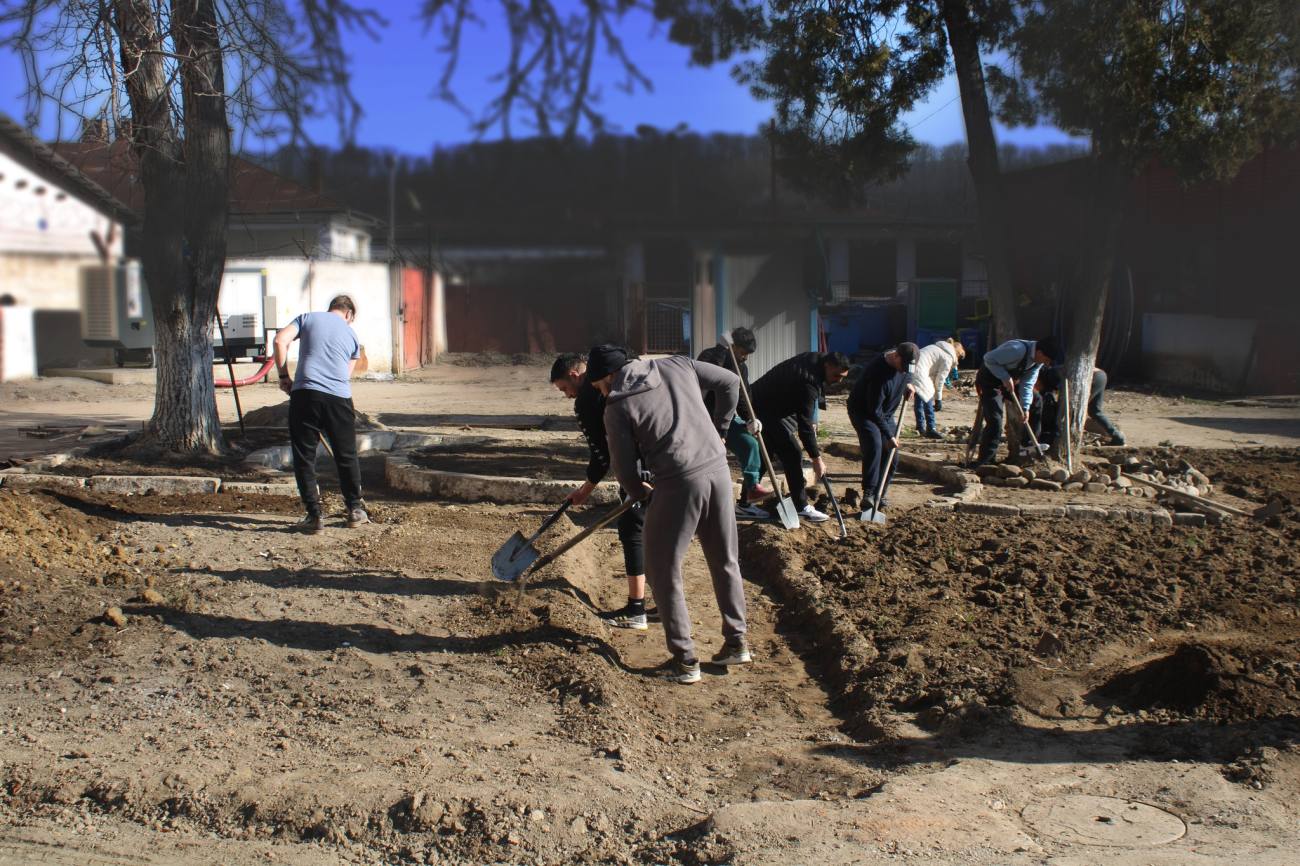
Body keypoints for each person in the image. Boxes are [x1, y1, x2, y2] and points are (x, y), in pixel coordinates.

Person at [590, 344, 750, 685]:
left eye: (598, 385)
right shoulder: (679, 364)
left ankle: (685, 660)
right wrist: (720, 431)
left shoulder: (617, 405)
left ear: (608, 376)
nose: (601, 391)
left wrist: (637, 492)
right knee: (725, 559)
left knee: (662, 568)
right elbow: (731, 383)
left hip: (678, 481)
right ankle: (737, 642)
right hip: (719, 472)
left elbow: (622, 465)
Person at [550, 352, 651, 629]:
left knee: (632, 532)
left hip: (637, 470)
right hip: (665, 462)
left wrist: (585, 490)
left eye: (564, 389)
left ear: (574, 375)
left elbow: (603, 455)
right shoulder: (637, 379)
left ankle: (637, 610)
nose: (568, 396)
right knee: (656, 533)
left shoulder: (587, 400)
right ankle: (663, 603)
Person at [273, 294, 367, 532]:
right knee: (346, 454)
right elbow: (344, 376)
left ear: (331, 309)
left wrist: (284, 377)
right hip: (339, 399)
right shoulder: (352, 336)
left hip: (306, 394)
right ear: (349, 314)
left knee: (305, 455)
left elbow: (279, 341)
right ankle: (355, 510)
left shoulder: (307, 318)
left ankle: (314, 516)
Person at [747, 351, 851, 523]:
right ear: (828, 365)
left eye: (843, 377)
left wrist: (809, 420)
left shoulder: (816, 360)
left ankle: (744, 502)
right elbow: (805, 428)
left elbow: (804, 404)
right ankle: (801, 506)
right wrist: (816, 458)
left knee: (767, 453)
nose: (839, 380)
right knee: (792, 453)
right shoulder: (808, 381)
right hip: (763, 407)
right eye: (837, 375)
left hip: (772, 404)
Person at [696, 327, 771, 518]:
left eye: (748, 354)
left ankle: (751, 490)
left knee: (751, 444)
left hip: (728, 419)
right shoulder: (710, 355)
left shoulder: (741, 367)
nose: (745, 357)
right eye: (743, 352)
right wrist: (722, 350)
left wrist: (750, 419)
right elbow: (707, 377)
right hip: (702, 418)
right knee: (709, 461)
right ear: (733, 346)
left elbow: (743, 396)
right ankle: (701, 504)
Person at [848, 343, 919, 515]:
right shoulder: (877, 373)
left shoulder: (906, 362)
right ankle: (870, 493)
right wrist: (888, 435)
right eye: (903, 367)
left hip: (886, 414)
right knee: (875, 446)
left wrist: (909, 384)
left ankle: (881, 493)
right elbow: (874, 410)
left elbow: (908, 374)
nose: (905, 370)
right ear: (895, 356)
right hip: (865, 412)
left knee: (892, 457)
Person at [973, 336, 1062, 466]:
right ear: (1040, 352)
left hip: (1009, 383)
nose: (1046, 363)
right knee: (995, 420)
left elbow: (1027, 384)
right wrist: (1004, 377)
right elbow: (988, 358)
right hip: (990, 382)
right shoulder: (1017, 349)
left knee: (1036, 399)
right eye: (1046, 359)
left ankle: (1028, 443)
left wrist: (1025, 407)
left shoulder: (1037, 363)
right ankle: (985, 461)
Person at [1032, 366, 1125, 447]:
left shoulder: (1051, 375)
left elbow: (1064, 392)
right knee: (1095, 411)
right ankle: (1118, 437)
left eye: (1034, 385)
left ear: (1037, 379)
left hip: (1093, 377)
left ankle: (1064, 438)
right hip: (1101, 375)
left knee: (1073, 410)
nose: (1035, 388)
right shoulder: (1049, 376)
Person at [910, 337, 964, 438]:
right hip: (920, 370)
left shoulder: (938, 347)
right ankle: (931, 428)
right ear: (957, 354)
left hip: (912, 367)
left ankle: (920, 427)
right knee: (928, 395)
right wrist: (938, 399)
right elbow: (940, 381)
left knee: (920, 396)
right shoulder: (948, 357)